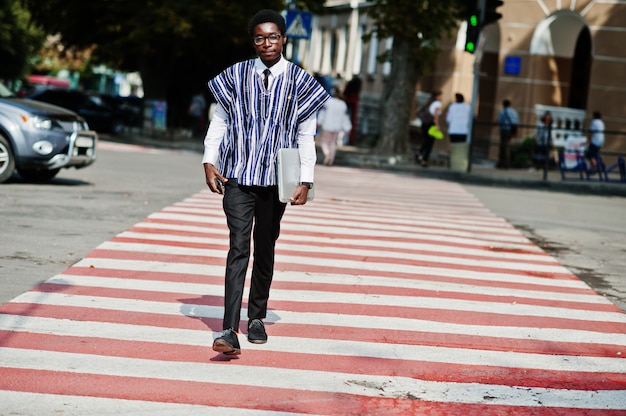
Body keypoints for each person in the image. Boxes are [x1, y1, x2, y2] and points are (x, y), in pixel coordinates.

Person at [201, 9, 330, 355]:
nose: (266, 43)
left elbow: (306, 135)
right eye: (260, 37)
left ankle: (256, 316)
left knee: (266, 246)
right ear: (253, 41)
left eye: (273, 36)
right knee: (238, 247)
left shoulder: (301, 81)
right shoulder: (236, 75)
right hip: (239, 175)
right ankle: (229, 329)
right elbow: (220, 120)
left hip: (276, 179)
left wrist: (307, 178)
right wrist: (209, 160)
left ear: (284, 39)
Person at [317, 87, 352, 165]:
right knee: (333, 143)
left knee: (324, 141)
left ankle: (327, 153)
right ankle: (331, 159)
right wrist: (348, 128)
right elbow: (345, 117)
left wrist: (319, 123)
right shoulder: (343, 105)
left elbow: (322, 114)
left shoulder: (328, 102)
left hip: (327, 125)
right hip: (337, 127)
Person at [416, 90, 442, 167]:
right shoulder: (437, 104)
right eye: (440, 96)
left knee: (427, 141)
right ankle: (424, 159)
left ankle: (420, 153)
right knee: (430, 143)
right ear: (437, 96)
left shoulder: (429, 103)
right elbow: (435, 115)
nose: (441, 97)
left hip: (425, 124)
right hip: (431, 124)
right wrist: (437, 125)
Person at [496, 99, 520, 169]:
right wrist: (516, 132)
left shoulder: (504, 111)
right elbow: (517, 123)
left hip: (505, 130)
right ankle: (505, 162)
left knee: (504, 147)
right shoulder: (514, 112)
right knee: (507, 146)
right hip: (511, 130)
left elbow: (498, 120)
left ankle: (504, 163)